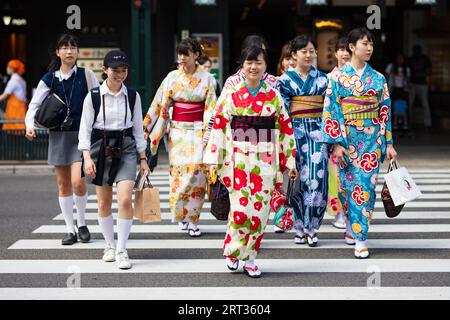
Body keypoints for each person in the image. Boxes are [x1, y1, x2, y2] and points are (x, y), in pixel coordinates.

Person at [203, 45, 298, 278]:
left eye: (258, 63)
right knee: (240, 209)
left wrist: (290, 161)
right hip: (238, 157)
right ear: (242, 66)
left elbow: (285, 128)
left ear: (266, 66)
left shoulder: (273, 95)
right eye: (249, 62)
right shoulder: (232, 93)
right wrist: (214, 157)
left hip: (265, 157)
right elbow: (219, 126)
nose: (253, 67)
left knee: (260, 212)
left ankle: (250, 257)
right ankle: (235, 251)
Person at [322, 27, 398, 259]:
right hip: (347, 140)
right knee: (346, 190)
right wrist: (337, 143)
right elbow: (332, 110)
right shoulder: (336, 78)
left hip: (371, 142)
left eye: (371, 44)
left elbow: (384, 111)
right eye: (365, 43)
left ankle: (361, 238)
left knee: (365, 190)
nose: (369, 48)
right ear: (352, 47)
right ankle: (351, 226)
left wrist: (389, 143)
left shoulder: (378, 78)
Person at [25, 33, 99, 245]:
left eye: (73, 47)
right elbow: (35, 105)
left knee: (78, 181)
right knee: (63, 183)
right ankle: (70, 229)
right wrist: (29, 126)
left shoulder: (87, 75)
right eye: (64, 47)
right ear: (58, 52)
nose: (69, 51)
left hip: (81, 136)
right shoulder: (49, 79)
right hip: (58, 135)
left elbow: (97, 101)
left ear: (77, 52)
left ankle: (82, 223)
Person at [79, 50, 149, 270]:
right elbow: (84, 129)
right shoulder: (92, 96)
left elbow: (138, 129)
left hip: (126, 146)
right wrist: (87, 157)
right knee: (103, 202)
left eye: (123, 70)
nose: (119, 74)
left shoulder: (133, 95)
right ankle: (109, 245)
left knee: (126, 199)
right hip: (100, 147)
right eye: (115, 70)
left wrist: (143, 158)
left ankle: (121, 249)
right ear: (105, 70)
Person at [143, 38, 217, 237]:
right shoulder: (172, 77)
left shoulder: (208, 79)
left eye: (186, 54)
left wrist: (209, 134)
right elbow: (160, 104)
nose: (182, 58)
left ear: (196, 55)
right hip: (178, 131)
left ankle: (192, 218)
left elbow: (211, 109)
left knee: (197, 174)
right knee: (179, 174)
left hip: (200, 131)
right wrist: (147, 127)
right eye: (180, 54)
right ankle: (181, 214)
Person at [278, 35, 329, 247]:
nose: (308, 55)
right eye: (304, 51)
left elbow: (330, 109)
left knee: (318, 180)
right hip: (294, 133)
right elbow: (281, 111)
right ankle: (299, 226)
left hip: (318, 132)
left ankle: (312, 227)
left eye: (311, 51)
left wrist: (333, 136)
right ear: (293, 55)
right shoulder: (284, 82)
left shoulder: (324, 80)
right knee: (297, 180)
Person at [327, 37, 350, 231]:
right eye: (340, 50)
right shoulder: (329, 78)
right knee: (336, 176)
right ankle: (339, 213)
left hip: (356, 133)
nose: (344, 54)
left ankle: (353, 212)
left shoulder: (357, 78)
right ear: (335, 53)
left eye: (347, 50)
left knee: (354, 175)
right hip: (335, 133)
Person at [407, 44, 432, 131]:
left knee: (424, 104)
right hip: (414, 83)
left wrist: (427, 79)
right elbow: (407, 71)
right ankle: (408, 122)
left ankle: (427, 124)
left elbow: (429, 70)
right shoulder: (411, 59)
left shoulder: (424, 58)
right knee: (411, 104)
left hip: (421, 83)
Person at [0, 60, 27, 130]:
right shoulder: (22, 80)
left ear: (12, 69)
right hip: (21, 110)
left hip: (14, 111)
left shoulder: (13, 81)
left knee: (12, 134)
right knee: (19, 133)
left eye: (8, 67)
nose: (7, 69)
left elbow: (4, 96)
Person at [386, 53, 410, 130]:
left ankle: (404, 124)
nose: (400, 60)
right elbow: (386, 76)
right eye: (399, 58)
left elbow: (408, 79)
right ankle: (393, 124)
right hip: (393, 89)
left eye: (402, 59)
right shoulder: (391, 67)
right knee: (393, 107)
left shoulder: (406, 68)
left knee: (403, 106)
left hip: (403, 89)